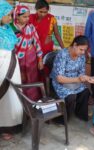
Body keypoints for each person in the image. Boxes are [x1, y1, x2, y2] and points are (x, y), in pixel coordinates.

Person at [51, 35, 90, 122]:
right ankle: (62, 119)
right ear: (75, 45)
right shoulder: (62, 54)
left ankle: (80, 114)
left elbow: (81, 72)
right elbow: (59, 78)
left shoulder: (82, 56)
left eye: (85, 50)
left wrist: (86, 78)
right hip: (60, 83)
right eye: (81, 49)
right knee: (70, 96)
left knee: (85, 92)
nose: (83, 52)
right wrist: (78, 79)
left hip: (75, 81)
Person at [10, 5, 44, 101]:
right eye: (24, 16)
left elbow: (37, 43)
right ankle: (20, 101)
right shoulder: (10, 28)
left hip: (30, 59)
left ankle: (33, 100)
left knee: (32, 79)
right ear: (17, 15)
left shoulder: (31, 27)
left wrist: (40, 60)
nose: (27, 19)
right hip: (16, 60)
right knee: (19, 79)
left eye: (28, 16)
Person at [0, 0, 22, 140]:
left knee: (12, 94)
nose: (10, 18)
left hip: (12, 66)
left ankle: (9, 126)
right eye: (7, 15)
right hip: (1, 68)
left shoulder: (8, 28)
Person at [30, 0, 64, 76]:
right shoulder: (30, 18)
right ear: (36, 9)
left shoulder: (52, 19)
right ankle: (37, 87)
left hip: (46, 49)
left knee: (46, 70)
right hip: (33, 49)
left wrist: (64, 48)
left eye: (45, 12)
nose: (43, 14)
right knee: (34, 69)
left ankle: (46, 86)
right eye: (40, 11)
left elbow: (57, 34)